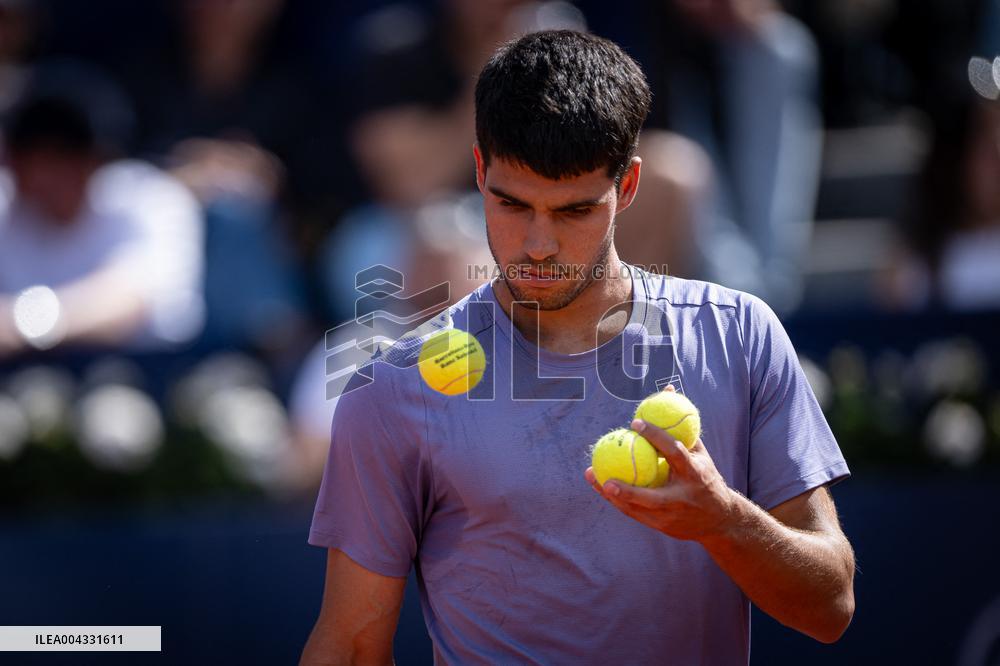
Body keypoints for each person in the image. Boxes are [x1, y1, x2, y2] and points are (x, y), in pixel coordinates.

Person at [302, 30, 854, 664]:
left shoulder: (741, 335)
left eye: (573, 211)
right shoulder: (393, 392)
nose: (538, 244)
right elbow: (349, 646)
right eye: (512, 203)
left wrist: (723, 520)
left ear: (628, 187)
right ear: (479, 172)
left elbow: (831, 607)